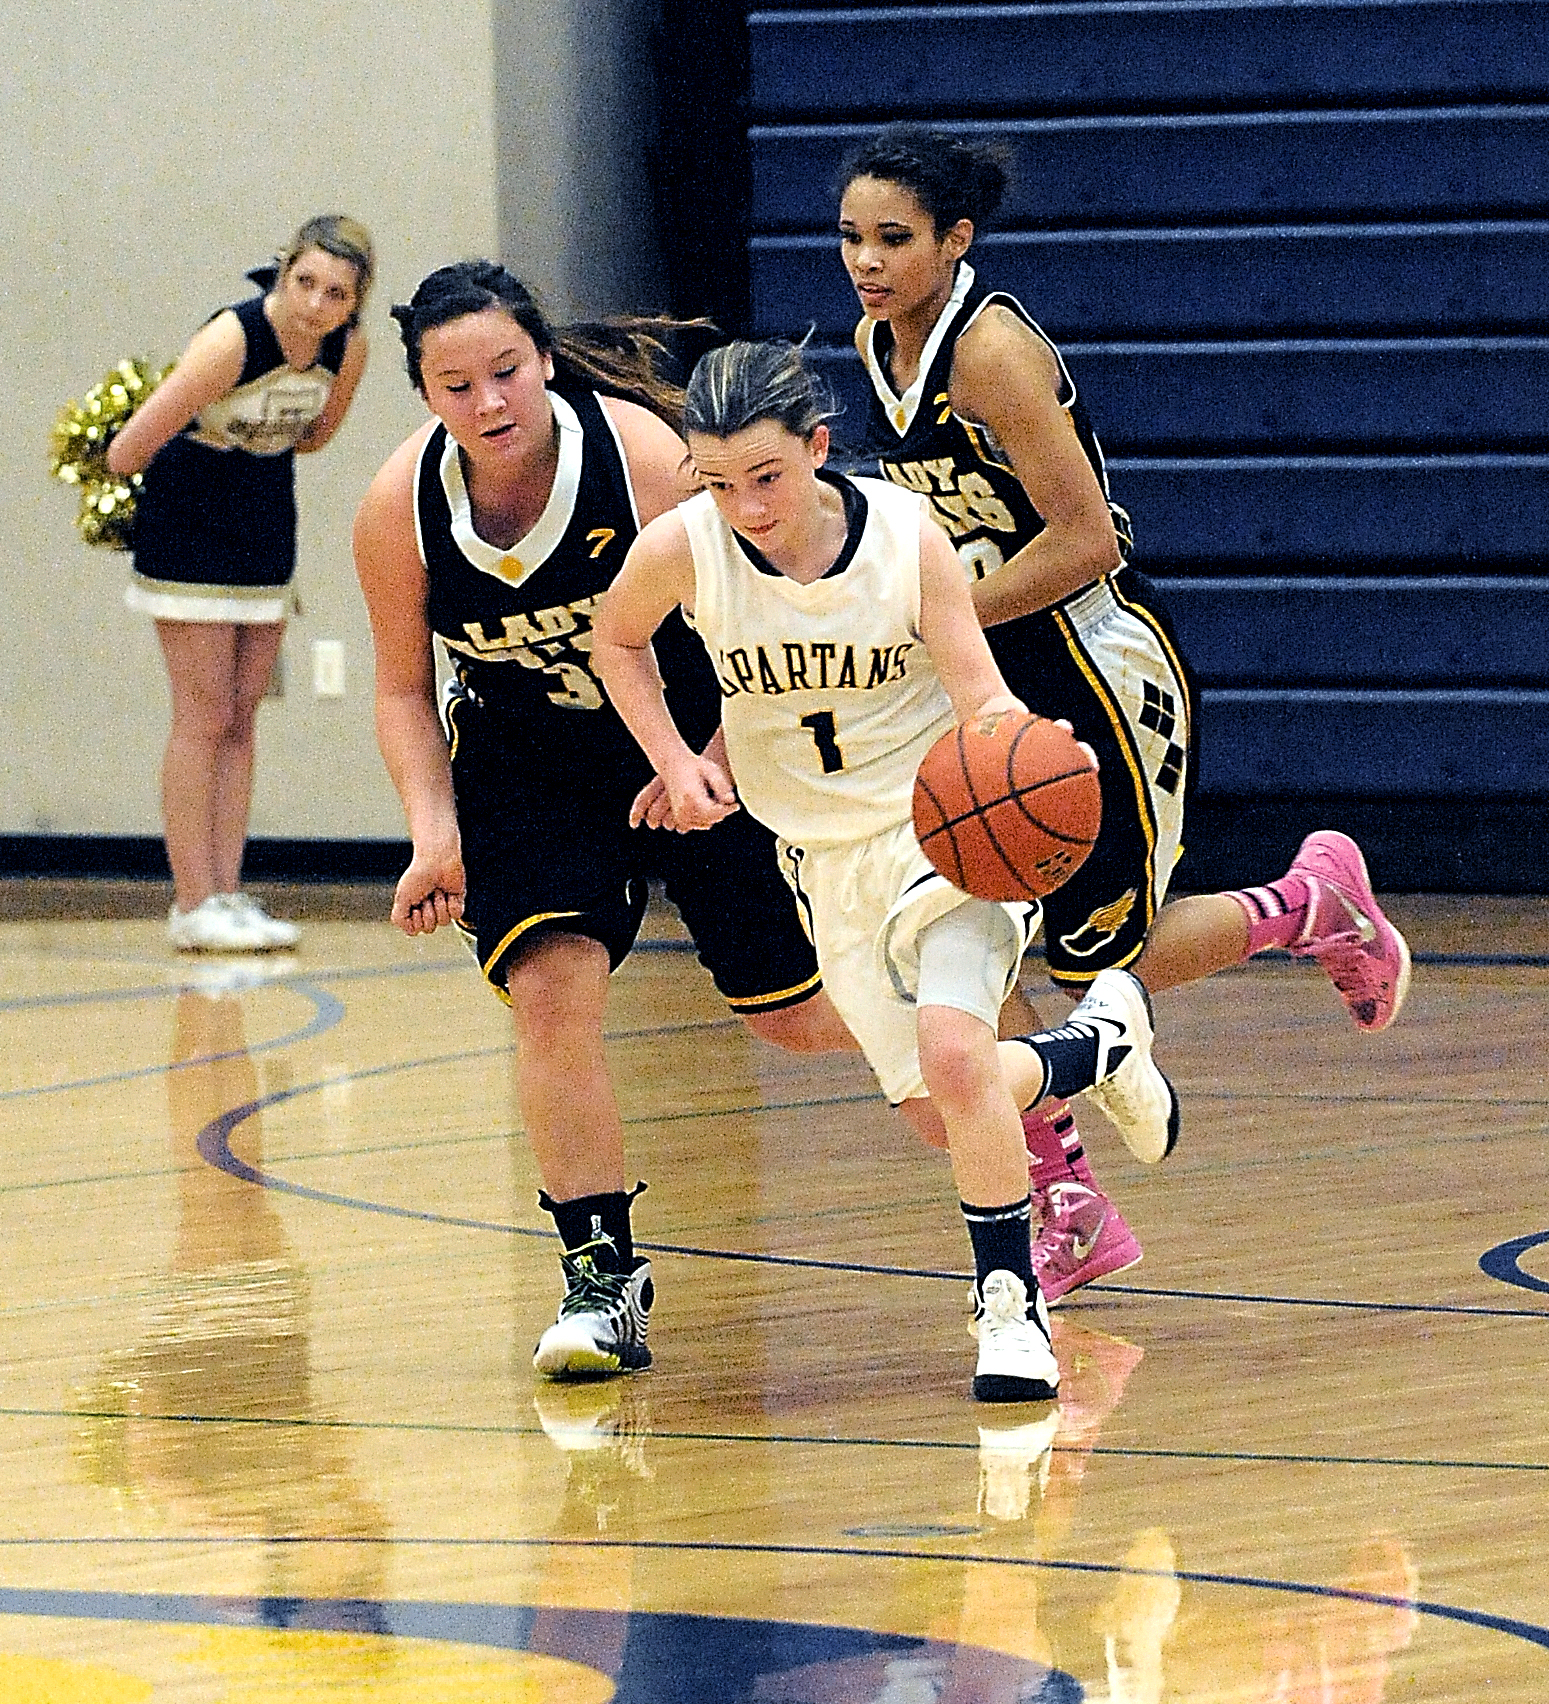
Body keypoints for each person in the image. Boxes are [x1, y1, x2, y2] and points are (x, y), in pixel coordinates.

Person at [834, 125, 1411, 1301]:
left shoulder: (989, 352)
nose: (866, 261)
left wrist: (947, 618)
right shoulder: (871, 344)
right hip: (991, 672)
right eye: (850, 237)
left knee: (1105, 953)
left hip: (1090, 663)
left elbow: (1089, 536)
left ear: (957, 239)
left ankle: (1310, 904)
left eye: (894, 238)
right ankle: (1066, 1202)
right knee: (964, 923)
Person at [593, 336, 1179, 1403]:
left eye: (766, 478)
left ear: (817, 449)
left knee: (957, 1061)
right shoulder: (685, 546)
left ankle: (1009, 1310)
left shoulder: (906, 537)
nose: (748, 506)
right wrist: (675, 762)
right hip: (820, 856)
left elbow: (977, 690)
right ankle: (1096, 1044)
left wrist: (1036, 751)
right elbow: (614, 642)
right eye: (719, 483)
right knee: (935, 1104)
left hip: (941, 829)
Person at [351, 260, 856, 1385]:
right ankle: (599, 1277)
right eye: (456, 385)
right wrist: (434, 835)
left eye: (505, 371)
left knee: (800, 1019)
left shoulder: (637, 456)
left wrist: (707, 762)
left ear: (540, 359)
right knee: (551, 989)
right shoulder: (400, 508)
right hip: (530, 765)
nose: (489, 403)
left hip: (700, 734)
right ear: (424, 394)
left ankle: (1018, 1086)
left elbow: (766, 612)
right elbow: (399, 688)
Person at [106, 215, 373, 954]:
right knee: (200, 715)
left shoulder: (347, 349)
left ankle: (226, 892)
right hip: (190, 529)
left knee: (241, 716)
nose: (318, 304)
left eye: (338, 293)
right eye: (306, 283)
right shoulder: (231, 339)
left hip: (263, 527)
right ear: (283, 273)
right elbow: (127, 450)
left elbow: (315, 437)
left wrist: (255, 439)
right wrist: (213, 445)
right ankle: (192, 903)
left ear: (355, 303)